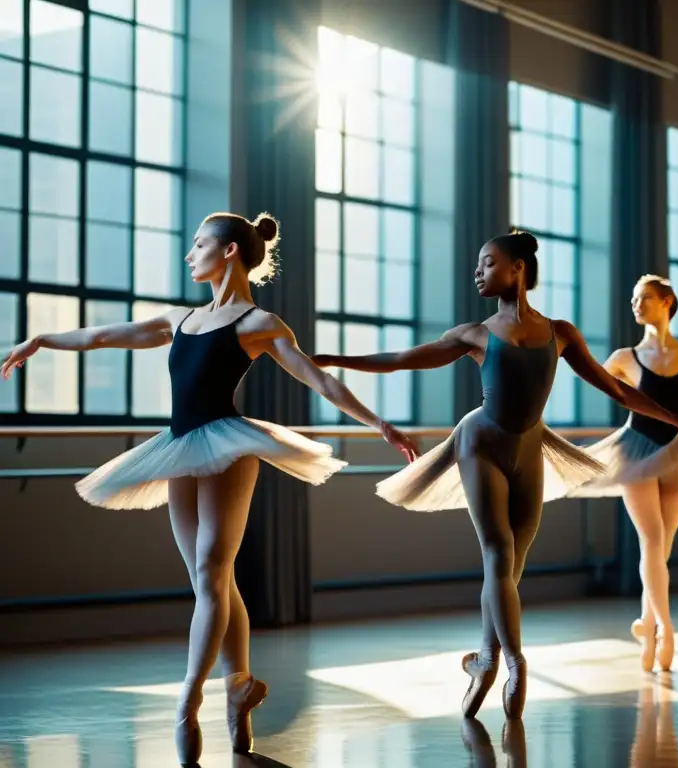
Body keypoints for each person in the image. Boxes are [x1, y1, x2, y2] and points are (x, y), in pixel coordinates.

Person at [1, 212, 419, 765]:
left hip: (227, 447)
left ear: (227, 251)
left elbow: (318, 378)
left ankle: (188, 700)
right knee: (211, 584)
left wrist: (378, 424)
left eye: (198, 244)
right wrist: (41, 339)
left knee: (210, 574)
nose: (188, 252)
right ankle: (238, 686)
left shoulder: (258, 323)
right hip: (177, 448)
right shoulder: (180, 318)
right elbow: (104, 335)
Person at [312, 230, 678, 719]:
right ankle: (515, 662)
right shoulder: (474, 334)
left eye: (487, 262)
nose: (478, 272)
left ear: (518, 268)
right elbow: (403, 360)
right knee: (497, 552)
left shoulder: (561, 333)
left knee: (510, 569)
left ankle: (486, 658)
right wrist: (333, 360)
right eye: (478, 265)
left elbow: (619, 393)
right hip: (482, 442)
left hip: (532, 447)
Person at [570, 275, 678, 672]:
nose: (636, 304)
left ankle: (646, 625)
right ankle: (665, 627)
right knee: (652, 541)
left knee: (663, 548)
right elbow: (594, 377)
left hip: (676, 450)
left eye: (643, 297)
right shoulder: (626, 357)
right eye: (633, 298)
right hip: (635, 450)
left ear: (667, 302)